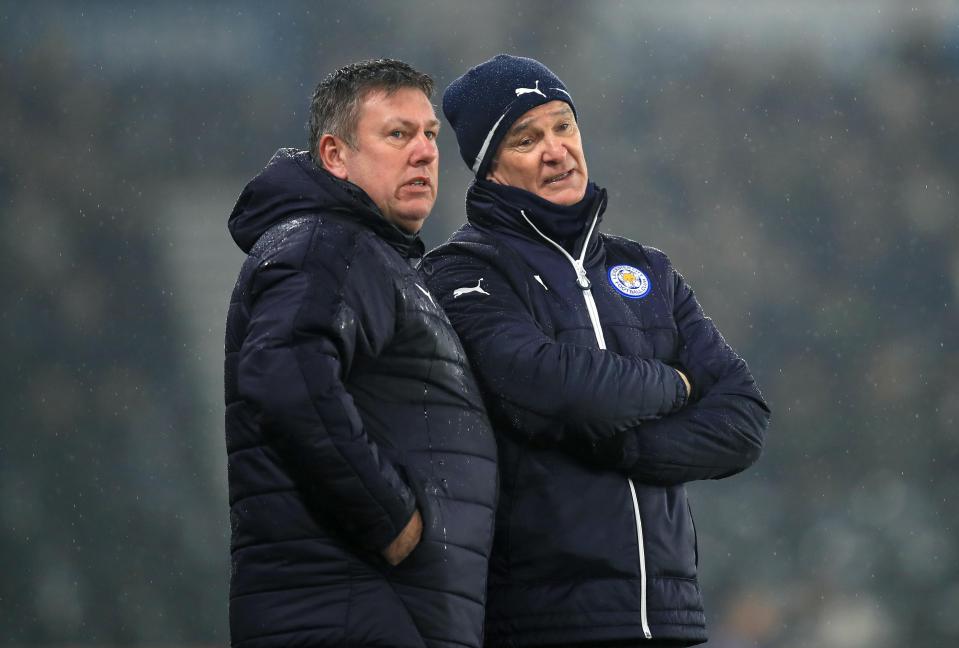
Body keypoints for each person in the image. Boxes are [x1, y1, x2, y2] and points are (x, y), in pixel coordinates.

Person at [420, 54, 771, 647]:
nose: (557, 149)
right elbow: (551, 386)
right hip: (542, 620)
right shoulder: (463, 271)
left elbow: (743, 421)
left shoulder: (647, 270)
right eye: (526, 139)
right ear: (490, 169)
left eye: (563, 126)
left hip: (668, 618)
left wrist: (627, 444)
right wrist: (679, 385)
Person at [224, 59, 497, 648]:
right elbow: (283, 375)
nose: (424, 152)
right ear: (334, 155)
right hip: (352, 611)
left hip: (377, 611)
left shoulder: (369, 254)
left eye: (429, 135)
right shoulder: (328, 243)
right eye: (397, 134)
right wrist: (391, 517)